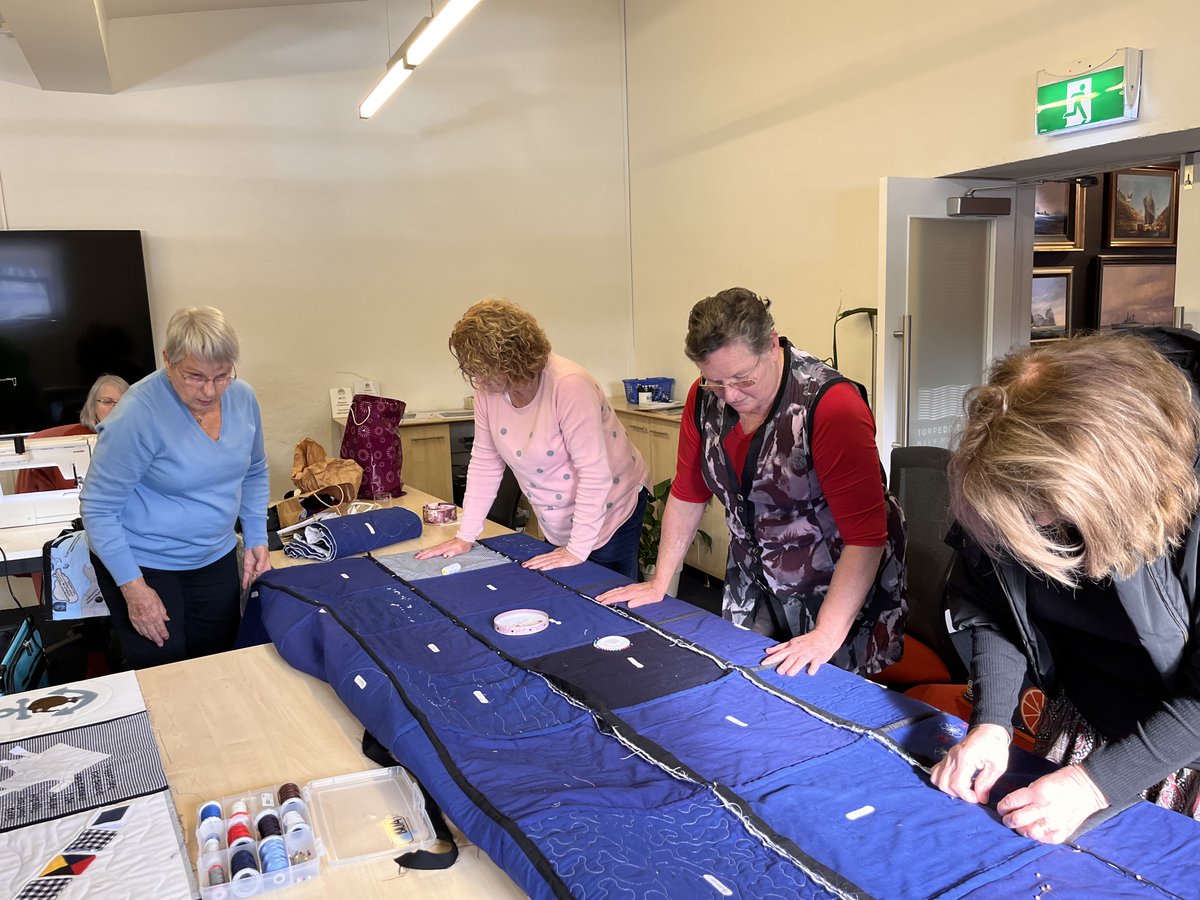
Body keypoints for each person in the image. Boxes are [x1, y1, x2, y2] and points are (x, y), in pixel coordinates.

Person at [930, 330, 1200, 844]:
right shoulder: (1007, 471)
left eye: (1045, 512)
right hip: (1081, 724)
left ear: (1114, 481)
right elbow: (991, 604)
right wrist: (991, 723)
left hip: (1183, 750)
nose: (1034, 525)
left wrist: (1097, 786)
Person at [598, 287, 906, 677]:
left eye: (742, 378)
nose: (729, 395)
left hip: (835, 581)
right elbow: (688, 493)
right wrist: (660, 581)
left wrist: (826, 636)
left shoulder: (831, 405)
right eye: (714, 381)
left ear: (772, 346)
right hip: (756, 569)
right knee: (744, 678)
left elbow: (865, 538)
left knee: (822, 696)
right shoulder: (703, 397)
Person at [81, 307, 271, 668]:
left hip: (213, 555)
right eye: (195, 376)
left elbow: (255, 470)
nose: (210, 390)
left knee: (217, 661)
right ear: (168, 361)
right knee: (164, 669)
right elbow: (98, 509)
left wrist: (257, 537)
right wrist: (133, 588)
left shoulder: (243, 398)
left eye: (221, 376)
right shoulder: (136, 414)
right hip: (145, 561)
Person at [416, 298, 650, 580]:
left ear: (511, 361)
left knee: (608, 593)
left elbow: (594, 473)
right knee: (564, 586)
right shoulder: (487, 391)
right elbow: (484, 463)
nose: (477, 380)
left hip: (611, 505)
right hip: (558, 512)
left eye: (481, 370)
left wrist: (576, 549)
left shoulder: (569, 385)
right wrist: (466, 535)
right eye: (470, 370)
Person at [14, 373, 128, 494]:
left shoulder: (140, 437)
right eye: (107, 401)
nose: (115, 407)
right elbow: (67, 487)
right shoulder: (73, 439)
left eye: (122, 402)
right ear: (93, 406)